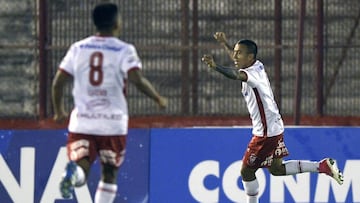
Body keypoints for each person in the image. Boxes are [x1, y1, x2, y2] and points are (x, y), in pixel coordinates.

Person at [201, 32, 344, 203]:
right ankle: (322, 166)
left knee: (246, 172)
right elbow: (238, 65)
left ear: (250, 56)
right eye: (235, 51)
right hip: (275, 126)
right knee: (276, 169)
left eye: (239, 52)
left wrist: (216, 67)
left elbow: (236, 74)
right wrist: (225, 44)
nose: (235, 55)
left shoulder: (251, 75)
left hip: (265, 133)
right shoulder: (256, 65)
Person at [51, 3, 167, 203]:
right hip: (112, 123)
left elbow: (58, 82)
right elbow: (137, 79)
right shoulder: (123, 50)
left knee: (81, 164)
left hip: (83, 121)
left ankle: (73, 174)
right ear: (116, 23)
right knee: (109, 173)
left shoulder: (78, 48)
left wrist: (59, 111)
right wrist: (157, 98)